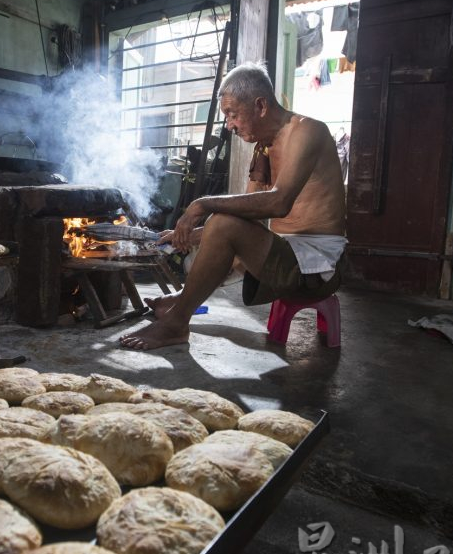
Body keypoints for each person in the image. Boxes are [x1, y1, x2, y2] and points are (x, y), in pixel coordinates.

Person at [120, 62, 346, 350]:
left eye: (232, 114)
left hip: (316, 266)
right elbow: (243, 217)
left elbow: (279, 203)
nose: (229, 125)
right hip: (287, 256)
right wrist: (190, 235)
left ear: (261, 105)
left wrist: (201, 205)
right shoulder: (263, 147)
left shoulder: (307, 131)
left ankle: (176, 322)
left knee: (223, 220)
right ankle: (180, 301)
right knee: (224, 221)